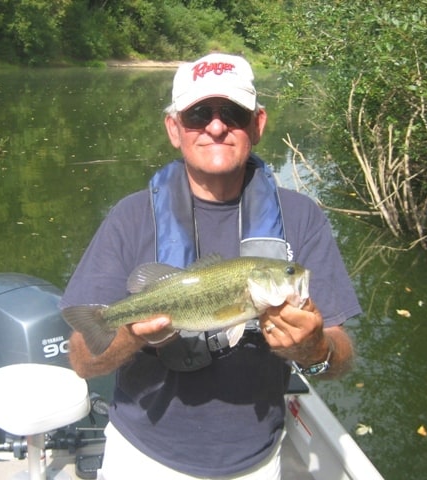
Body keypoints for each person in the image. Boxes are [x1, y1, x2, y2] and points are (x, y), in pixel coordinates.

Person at [60, 53, 361, 480]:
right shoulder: (130, 217)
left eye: (232, 113)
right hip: (143, 458)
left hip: (257, 461)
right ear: (173, 129)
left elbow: (341, 356)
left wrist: (312, 351)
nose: (216, 127)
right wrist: (132, 333)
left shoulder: (302, 217)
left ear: (257, 125)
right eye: (198, 114)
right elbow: (82, 360)